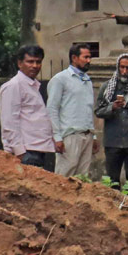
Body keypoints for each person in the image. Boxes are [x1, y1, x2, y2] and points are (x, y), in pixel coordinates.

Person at [46, 44, 99, 177]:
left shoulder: (87, 80)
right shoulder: (60, 79)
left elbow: (88, 110)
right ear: (74, 58)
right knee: (64, 177)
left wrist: (93, 136)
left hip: (86, 135)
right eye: (85, 57)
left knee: (82, 178)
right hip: (69, 136)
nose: (89, 60)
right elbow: (52, 109)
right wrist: (57, 137)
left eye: (90, 57)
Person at [0, 44, 56, 169]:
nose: (35, 66)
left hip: (37, 150)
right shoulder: (14, 86)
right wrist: (19, 152)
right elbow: (9, 123)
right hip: (25, 152)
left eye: (38, 62)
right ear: (20, 63)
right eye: (30, 62)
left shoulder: (33, 86)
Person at [96, 52, 128, 184]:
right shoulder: (107, 88)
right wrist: (112, 107)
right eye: (122, 67)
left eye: (127, 68)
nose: (124, 71)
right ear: (117, 67)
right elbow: (98, 111)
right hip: (113, 141)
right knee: (112, 181)